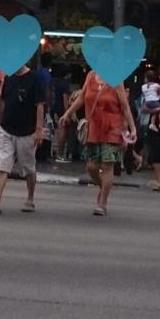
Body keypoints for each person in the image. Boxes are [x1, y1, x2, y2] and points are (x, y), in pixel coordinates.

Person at [58, 70, 137, 215]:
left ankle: (102, 202)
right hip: (93, 127)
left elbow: (125, 106)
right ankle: (104, 187)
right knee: (91, 166)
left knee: (107, 164)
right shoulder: (91, 76)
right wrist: (67, 113)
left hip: (112, 127)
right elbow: (81, 98)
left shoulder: (116, 79)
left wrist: (132, 128)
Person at [0, 59, 47, 214]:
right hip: (7, 128)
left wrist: (38, 130)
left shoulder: (34, 78)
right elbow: (4, 102)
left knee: (28, 167)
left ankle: (30, 198)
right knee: (3, 163)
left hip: (27, 131)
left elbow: (39, 105)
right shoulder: (9, 78)